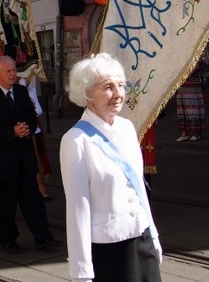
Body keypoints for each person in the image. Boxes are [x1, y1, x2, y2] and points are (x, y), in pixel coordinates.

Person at [60, 53, 162, 281]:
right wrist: (81, 271)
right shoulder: (76, 140)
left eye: (121, 85)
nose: (118, 94)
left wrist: (153, 237)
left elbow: (139, 189)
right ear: (87, 95)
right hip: (109, 251)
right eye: (108, 87)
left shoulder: (127, 128)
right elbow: (78, 209)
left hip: (141, 239)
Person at [0, 55, 61, 253]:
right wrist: (11, 132)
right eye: (9, 71)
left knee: (34, 200)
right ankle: (8, 239)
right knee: (6, 204)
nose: (13, 74)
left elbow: (32, 120)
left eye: (14, 70)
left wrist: (26, 129)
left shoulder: (22, 92)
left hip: (24, 157)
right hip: (3, 161)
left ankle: (43, 237)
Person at [18, 77, 52, 200]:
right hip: (22, 131)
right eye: (24, 77)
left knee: (39, 159)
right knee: (28, 161)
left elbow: (38, 110)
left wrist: (31, 110)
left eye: (28, 77)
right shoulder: (15, 90)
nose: (27, 80)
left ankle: (42, 188)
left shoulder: (31, 90)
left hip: (35, 130)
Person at [174, 66, 206, 142]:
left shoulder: (194, 60)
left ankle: (196, 133)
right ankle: (184, 133)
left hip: (192, 87)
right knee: (182, 110)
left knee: (192, 111)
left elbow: (189, 71)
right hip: (182, 87)